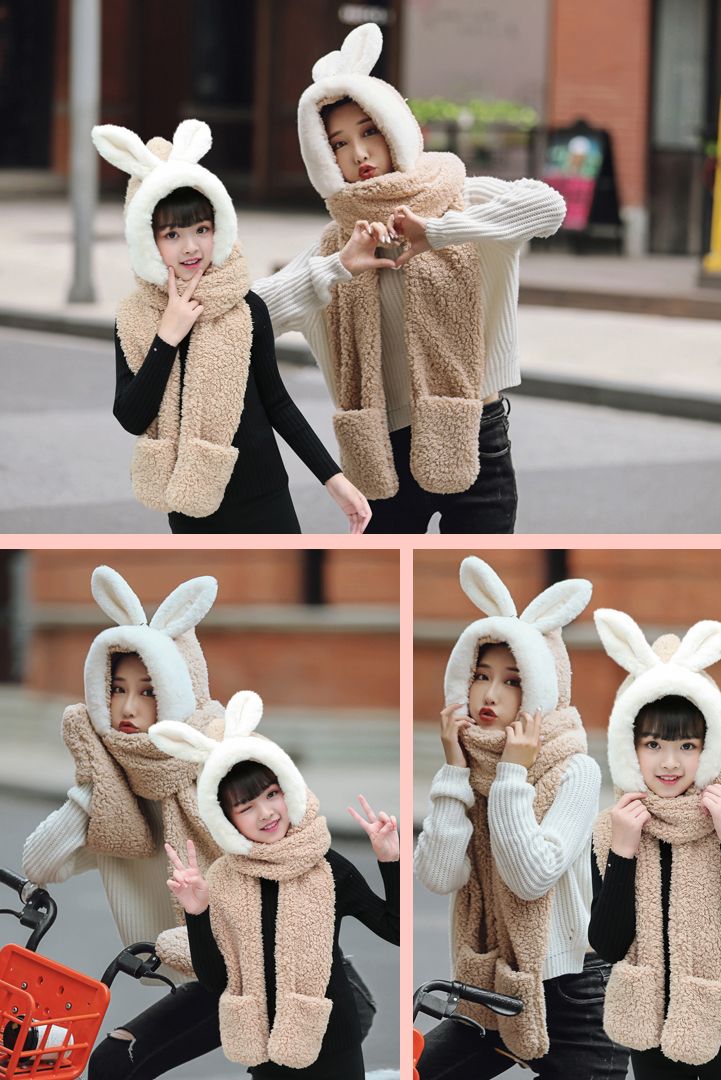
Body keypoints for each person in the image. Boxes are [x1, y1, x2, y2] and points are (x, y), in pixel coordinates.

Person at [253, 22, 566, 534]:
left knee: (478, 579)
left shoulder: (458, 198)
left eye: (369, 132)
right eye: (339, 143)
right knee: (389, 586)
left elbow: (549, 208)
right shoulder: (338, 244)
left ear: (394, 129)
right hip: (382, 454)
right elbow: (249, 316)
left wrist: (439, 233)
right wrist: (337, 268)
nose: (359, 154)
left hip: (476, 435)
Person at [91, 119, 371, 534]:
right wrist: (167, 337)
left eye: (202, 229)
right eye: (172, 234)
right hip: (191, 505)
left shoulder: (245, 307)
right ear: (148, 241)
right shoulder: (136, 318)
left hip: (266, 497)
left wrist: (334, 479)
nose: (191, 246)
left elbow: (277, 403)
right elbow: (131, 416)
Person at [413, 557, 629, 1078]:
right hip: (491, 987)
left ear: (540, 689)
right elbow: (439, 875)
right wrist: (453, 771)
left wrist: (511, 775)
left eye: (512, 681)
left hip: (577, 996)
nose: (490, 695)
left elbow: (531, 876)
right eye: (481, 676)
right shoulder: (468, 768)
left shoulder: (574, 769)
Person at [21, 565, 230, 1079]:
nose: (128, 708)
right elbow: (41, 864)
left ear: (179, 690)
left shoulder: (220, 765)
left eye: (149, 691)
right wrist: (97, 779)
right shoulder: (117, 788)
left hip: (264, 972)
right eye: (116, 689)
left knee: (114, 1064)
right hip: (204, 976)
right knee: (113, 1064)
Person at [149, 690, 400, 1079]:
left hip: (334, 1040)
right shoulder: (223, 879)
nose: (266, 813)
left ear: (288, 789)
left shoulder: (326, 866)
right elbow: (217, 980)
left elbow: (395, 929)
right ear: (226, 819)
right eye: (246, 807)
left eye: (272, 794)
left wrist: (390, 861)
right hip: (263, 1046)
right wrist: (197, 912)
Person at [589, 608, 721, 1079]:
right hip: (648, 1026)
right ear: (630, 748)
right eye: (653, 745)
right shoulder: (613, 829)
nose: (669, 763)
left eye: (687, 746)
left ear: (708, 748)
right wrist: (624, 852)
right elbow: (607, 944)